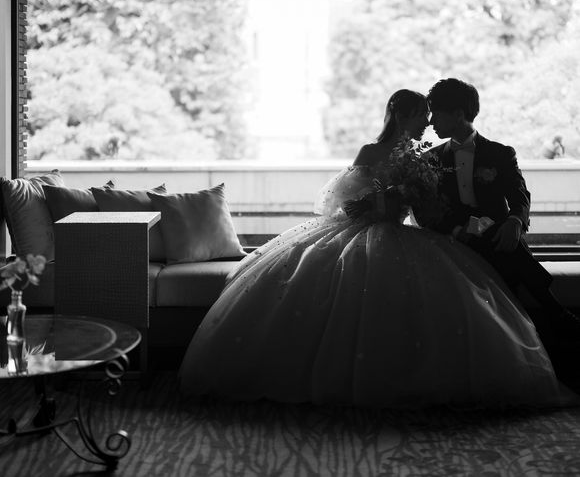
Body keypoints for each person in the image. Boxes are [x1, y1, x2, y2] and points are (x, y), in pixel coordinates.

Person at [179, 89, 576, 409]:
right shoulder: (376, 153)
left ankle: (561, 338)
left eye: (432, 115)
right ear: (402, 116)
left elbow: (430, 208)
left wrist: (421, 203)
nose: (428, 123)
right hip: (360, 233)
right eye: (422, 115)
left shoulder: (427, 156)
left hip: (413, 234)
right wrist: (381, 201)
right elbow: (346, 201)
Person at [425, 78, 580, 379]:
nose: (431, 122)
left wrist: (515, 222)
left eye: (436, 113)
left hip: (498, 239)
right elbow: (427, 210)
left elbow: (520, 195)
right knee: (510, 258)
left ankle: (543, 347)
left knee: (503, 240)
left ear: (458, 114)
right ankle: (554, 312)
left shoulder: (500, 153)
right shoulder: (430, 160)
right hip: (457, 243)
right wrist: (456, 231)